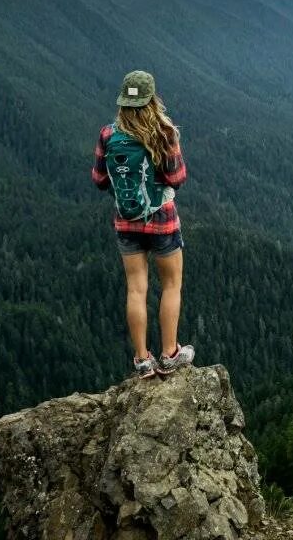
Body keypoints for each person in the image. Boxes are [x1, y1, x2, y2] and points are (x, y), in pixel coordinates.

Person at [91, 70, 195, 379]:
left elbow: (98, 179)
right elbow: (177, 178)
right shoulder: (164, 133)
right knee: (171, 285)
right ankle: (169, 353)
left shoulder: (108, 134)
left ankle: (141, 361)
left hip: (126, 223)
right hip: (162, 223)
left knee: (136, 289)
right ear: (152, 100)